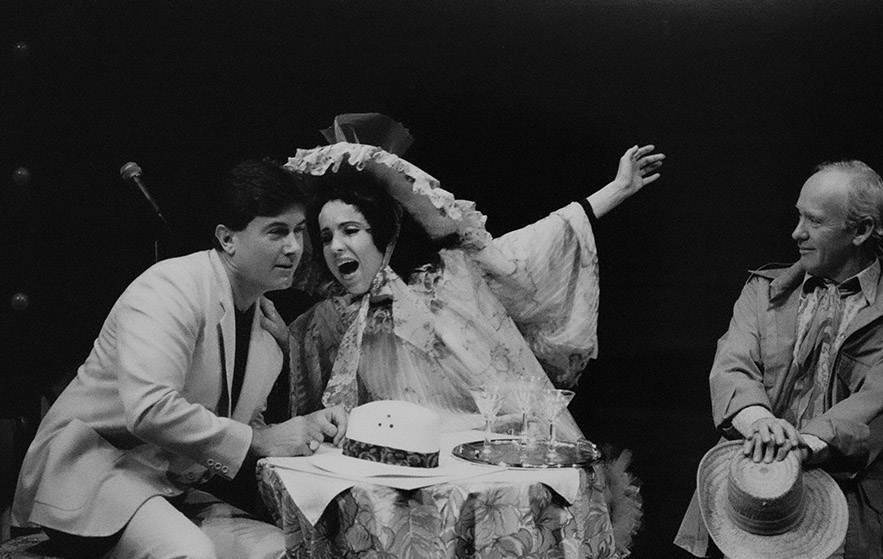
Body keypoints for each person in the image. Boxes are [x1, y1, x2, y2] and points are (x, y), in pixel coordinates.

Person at [12, 159, 347, 559]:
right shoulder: (167, 288)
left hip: (165, 490)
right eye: (276, 232)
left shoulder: (267, 333)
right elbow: (151, 410)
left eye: (300, 232)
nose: (295, 248)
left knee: (283, 554)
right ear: (227, 239)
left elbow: (235, 429)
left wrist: (290, 433)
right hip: (91, 476)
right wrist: (262, 439)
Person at [675, 160, 883, 559]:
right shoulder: (763, 290)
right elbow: (731, 368)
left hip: (845, 490)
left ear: (861, 230)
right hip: (749, 477)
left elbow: (867, 412)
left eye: (813, 221)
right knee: (776, 508)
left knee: (784, 527)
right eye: (798, 216)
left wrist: (796, 446)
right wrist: (762, 426)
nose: (795, 232)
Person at [285, 117, 665, 446]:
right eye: (326, 237)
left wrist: (617, 189)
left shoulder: (447, 276)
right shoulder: (334, 315)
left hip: (479, 447)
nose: (336, 247)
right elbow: (311, 387)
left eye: (351, 230)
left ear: (385, 234)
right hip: (391, 462)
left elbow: (536, 246)